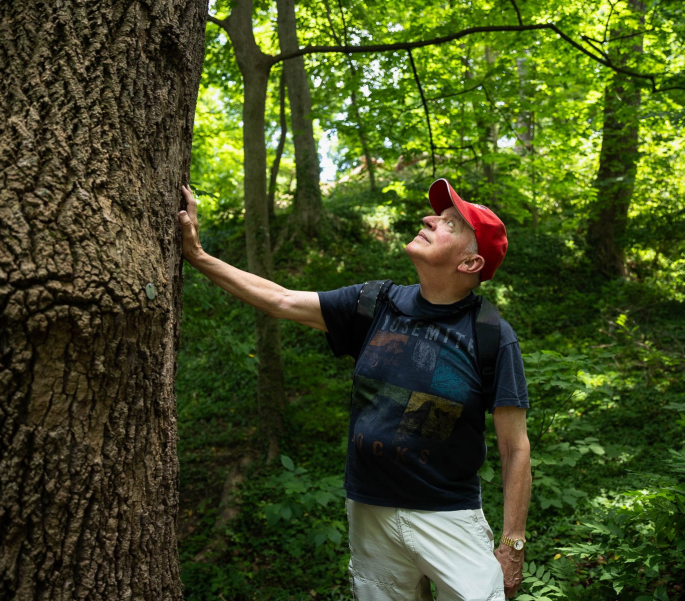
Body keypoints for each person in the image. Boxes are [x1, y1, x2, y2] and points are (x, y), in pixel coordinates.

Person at [178, 178, 531, 600]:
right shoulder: (375, 302)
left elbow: (515, 449)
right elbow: (282, 300)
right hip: (369, 513)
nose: (429, 219)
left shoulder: (490, 334)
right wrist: (197, 256)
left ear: (470, 264)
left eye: (450, 224)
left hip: (447, 517)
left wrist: (512, 545)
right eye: (438, 215)